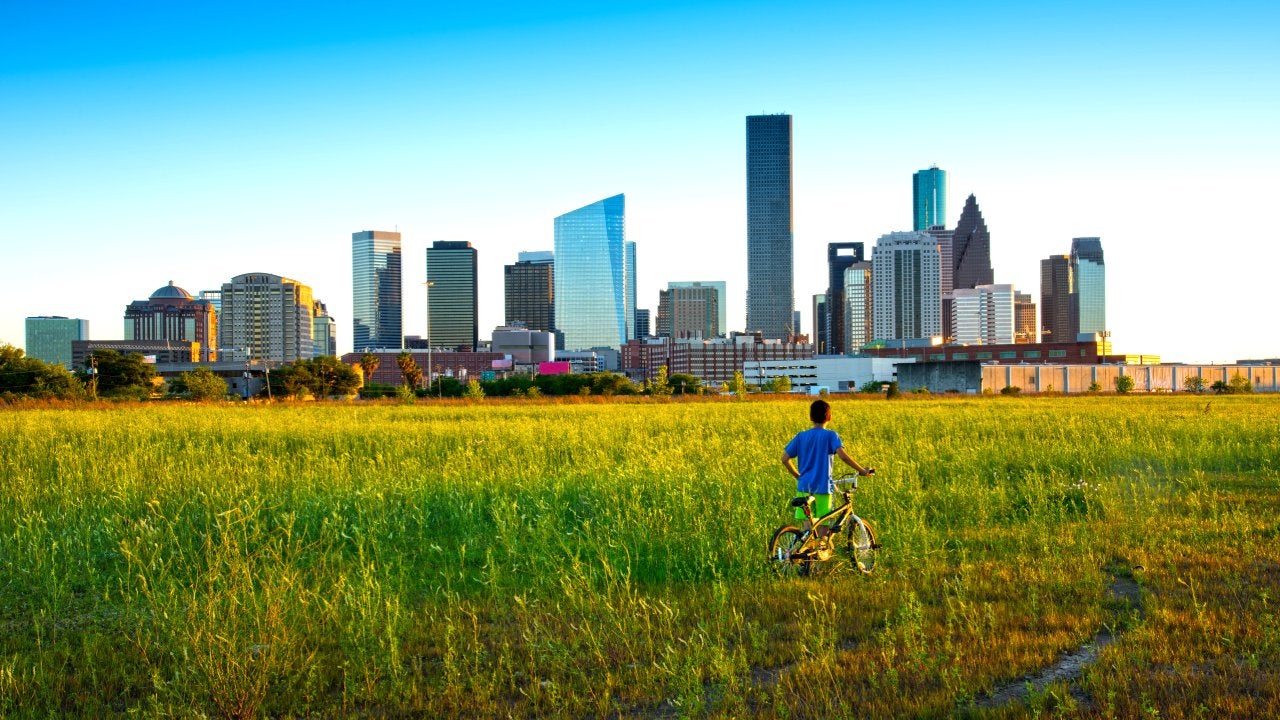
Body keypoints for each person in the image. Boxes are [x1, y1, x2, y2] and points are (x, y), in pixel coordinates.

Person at [781, 399, 873, 522]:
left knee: (808, 528)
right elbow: (843, 456)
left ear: (811, 417)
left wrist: (798, 476)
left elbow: (784, 459)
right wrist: (862, 470)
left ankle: (808, 540)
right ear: (829, 417)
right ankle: (821, 541)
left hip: (804, 487)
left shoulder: (801, 436)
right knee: (824, 525)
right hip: (822, 487)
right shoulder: (831, 435)